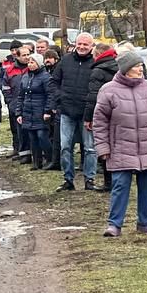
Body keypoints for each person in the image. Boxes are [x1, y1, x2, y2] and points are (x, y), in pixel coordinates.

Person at [93, 52, 147, 236]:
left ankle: (145, 223)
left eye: (141, 66)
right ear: (125, 69)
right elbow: (100, 123)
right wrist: (103, 148)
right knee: (120, 186)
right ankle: (114, 225)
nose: (140, 69)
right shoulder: (108, 90)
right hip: (120, 146)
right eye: (135, 67)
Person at [50, 32, 97, 192]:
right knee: (65, 147)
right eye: (80, 43)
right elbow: (54, 82)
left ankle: (89, 179)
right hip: (67, 111)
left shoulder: (95, 63)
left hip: (87, 113)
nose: (82, 47)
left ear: (92, 46)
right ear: (75, 44)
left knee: (90, 148)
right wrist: (59, 98)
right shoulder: (65, 61)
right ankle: (68, 179)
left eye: (86, 44)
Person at [84, 43, 119, 193]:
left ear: (98, 54)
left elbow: (93, 96)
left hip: (104, 113)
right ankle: (118, 180)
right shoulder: (119, 67)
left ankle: (108, 182)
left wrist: (88, 117)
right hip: (120, 112)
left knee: (104, 147)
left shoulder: (98, 71)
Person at [12, 53, 53, 169]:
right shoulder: (25, 77)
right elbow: (20, 96)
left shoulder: (46, 77)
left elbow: (50, 95)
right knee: (32, 137)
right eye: (29, 62)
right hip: (28, 111)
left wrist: (47, 111)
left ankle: (50, 158)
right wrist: (19, 112)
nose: (30, 64)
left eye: (32, 62)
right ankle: (37, 162)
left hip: (40, 111)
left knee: (42, 136)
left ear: (39, 64)